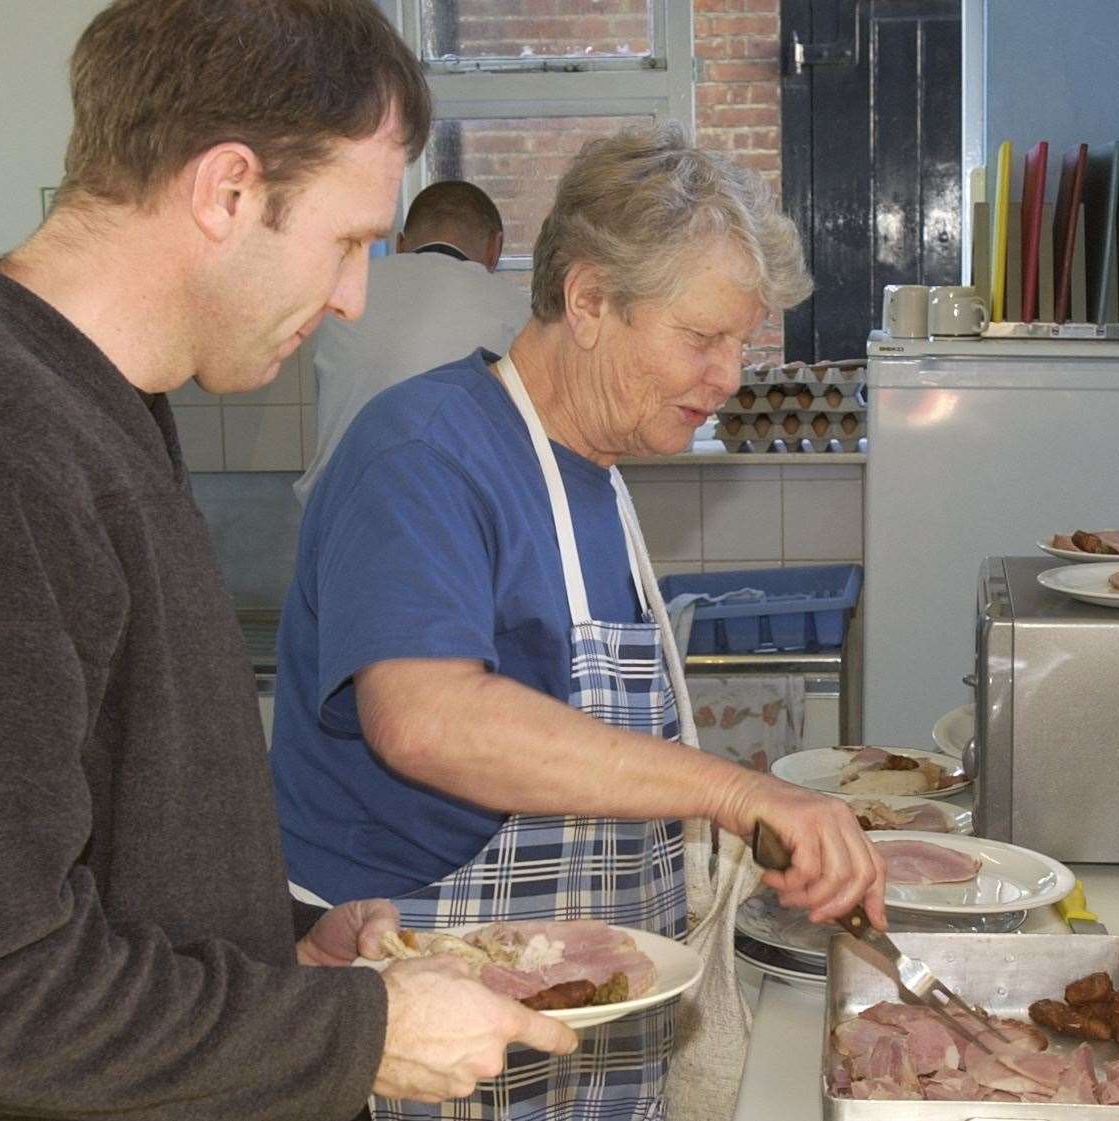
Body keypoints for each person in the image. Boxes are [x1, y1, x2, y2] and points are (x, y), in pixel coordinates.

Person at [0, 4, 575, 1119]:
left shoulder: (88, 409)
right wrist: (357, 1033)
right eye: (349, 240)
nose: (356, 295)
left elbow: (88, 853)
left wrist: (280, 950)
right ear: (226, 190)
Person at [268, 124, 886, 1121]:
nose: (730, 375)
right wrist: (733, 794)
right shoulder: (425, 453)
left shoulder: (593, 473)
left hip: (574, 1036)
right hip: (425, 1044)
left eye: (741, 342)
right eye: (703, 338)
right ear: (591, 299)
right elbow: (426, 717)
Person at [296, 181, 530, 506]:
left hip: (334, 511)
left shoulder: (344, 296)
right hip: (448, 519)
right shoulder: (516, 312)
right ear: (496, 248)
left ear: (401, 244)